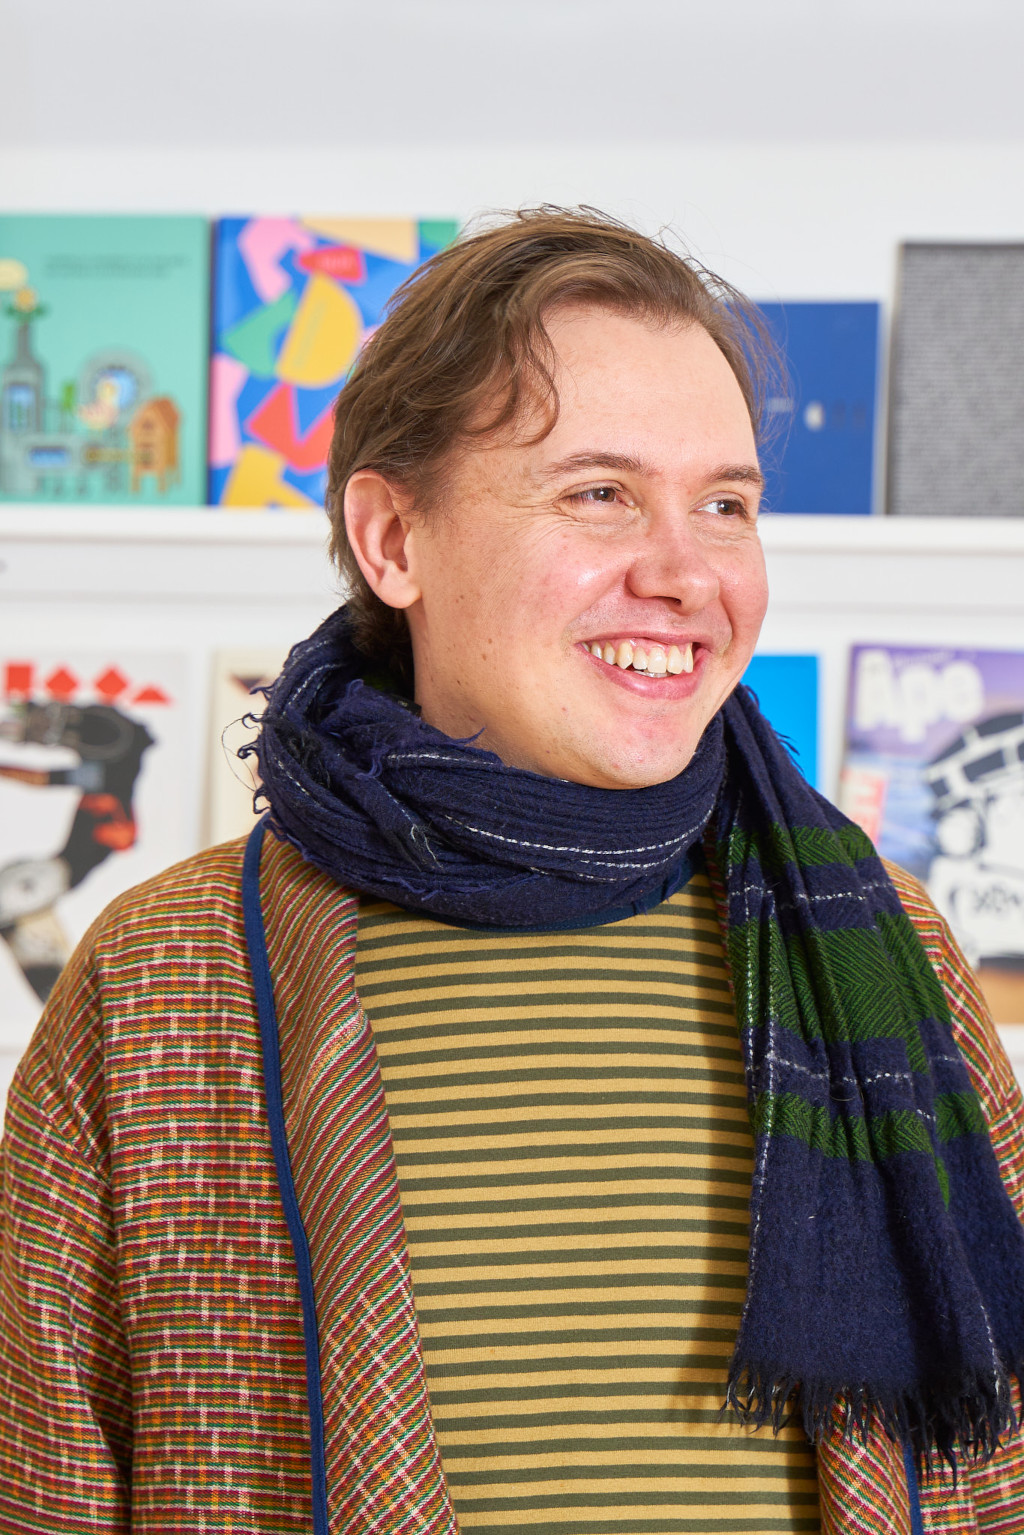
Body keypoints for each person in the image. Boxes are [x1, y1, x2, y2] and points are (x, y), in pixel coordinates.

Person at [3, 207, 1024, 1535]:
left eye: (725, 503)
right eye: (600, 492)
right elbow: (42, 1485)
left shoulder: (880, 946)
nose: (684, 572)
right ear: (394, 541)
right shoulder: (161, 975)